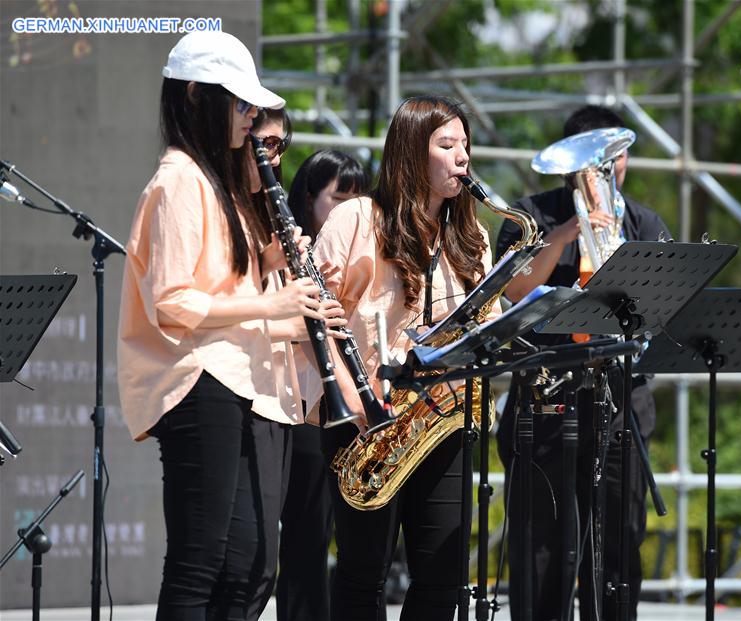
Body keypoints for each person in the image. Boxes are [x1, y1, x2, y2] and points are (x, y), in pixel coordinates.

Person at [117, 31, 337, 621]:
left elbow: (216, 282)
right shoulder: (180, 179)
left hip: (236, 378)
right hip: (198, 381)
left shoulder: (214, 183)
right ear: (195, 96)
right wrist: (274, 304)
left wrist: (269, 264)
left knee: (246, 566)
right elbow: (173, 301)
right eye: (239, 104)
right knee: (200, 564)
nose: (249, 119)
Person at [302, 95, 497, 621]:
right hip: (369, 419)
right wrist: (351, 398)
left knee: (444, 577)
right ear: (412, 151)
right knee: (363, 575)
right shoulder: (355, 219)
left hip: (445, 418)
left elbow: (489, 324)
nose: (463, 157)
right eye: (447, 144)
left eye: (466, 145)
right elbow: (312, 314)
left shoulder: (472, 236)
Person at [495, 105, 672, 621]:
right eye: (596, 160)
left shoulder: (644, 222)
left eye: (617, 159)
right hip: (546, 397)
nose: (608, 170)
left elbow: (660, 309)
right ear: (571, 163)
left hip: (621, 400)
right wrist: (567, 233)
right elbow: (513, 290)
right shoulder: (531, 214)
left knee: (618, 543)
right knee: (541, 545)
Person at [277, 150, 369, 621]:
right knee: (305, 537)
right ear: (309, 197)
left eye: (359, 198)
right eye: (339, 198)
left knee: (356, 546)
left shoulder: (363, 249)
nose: (349, 209)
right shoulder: (288, 252)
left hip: (352, 409)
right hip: (304, 410)